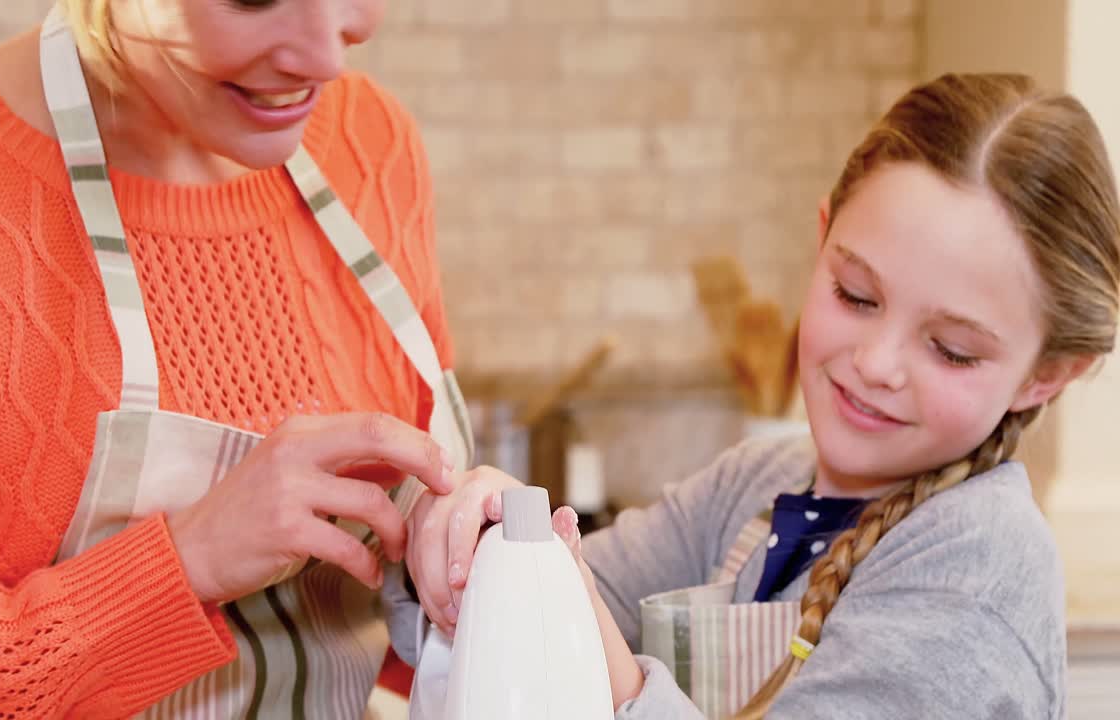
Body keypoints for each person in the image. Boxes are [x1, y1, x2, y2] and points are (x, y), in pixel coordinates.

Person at [403, 73, 1120, 719]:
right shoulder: (750, 489)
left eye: (952, 349)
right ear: (822, 238)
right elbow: (507, 633)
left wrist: (615, 674)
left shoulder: (977, 571)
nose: (876, 364)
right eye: (856, 294)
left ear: (1047, 373)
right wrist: (483, 546)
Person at [0, 0, 470, 717]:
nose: (328, 57)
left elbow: (390, 654)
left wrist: (465, 571)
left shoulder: (370, 141)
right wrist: (186, 564)